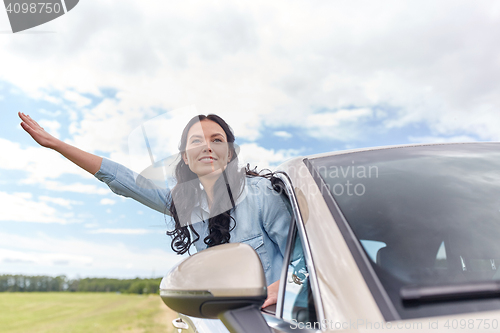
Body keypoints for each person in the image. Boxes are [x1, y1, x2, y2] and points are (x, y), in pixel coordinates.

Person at [18, 112, 292, 308]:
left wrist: (280, 288)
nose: (207, 146)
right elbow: (125, 181)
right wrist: (57, 145)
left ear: (230, 153)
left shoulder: (261, 195)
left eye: (217, 140)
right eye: (196, 141)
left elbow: (308, 257)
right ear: (185, 157)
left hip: (274, 320)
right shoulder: (186, 204)